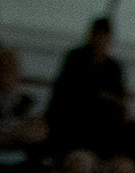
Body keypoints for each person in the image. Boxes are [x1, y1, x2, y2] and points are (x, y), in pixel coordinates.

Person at [47, 17, 126, 155]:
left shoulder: (113, 68)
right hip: (73, 117)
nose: (100, 41)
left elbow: (119, 99)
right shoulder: (76, 59)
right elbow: (64, 92)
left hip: (100, 122)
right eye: (98, 36)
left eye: (104, 37)